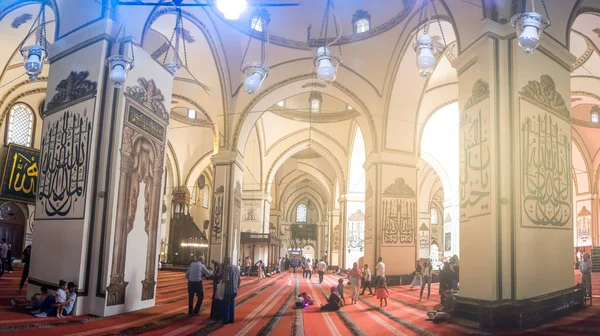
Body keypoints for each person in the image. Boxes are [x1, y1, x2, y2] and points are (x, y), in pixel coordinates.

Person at [221, 256, 241, 324]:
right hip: (234, 290)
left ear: (225, 261)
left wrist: (221, 281)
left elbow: (226, 278)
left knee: (226, 305)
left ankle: (225, 320)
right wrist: (237, 287)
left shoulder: (227, 267)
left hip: (228, 290)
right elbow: (239, 279)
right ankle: (231, 319)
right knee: (232, 305)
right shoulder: (236, 267)